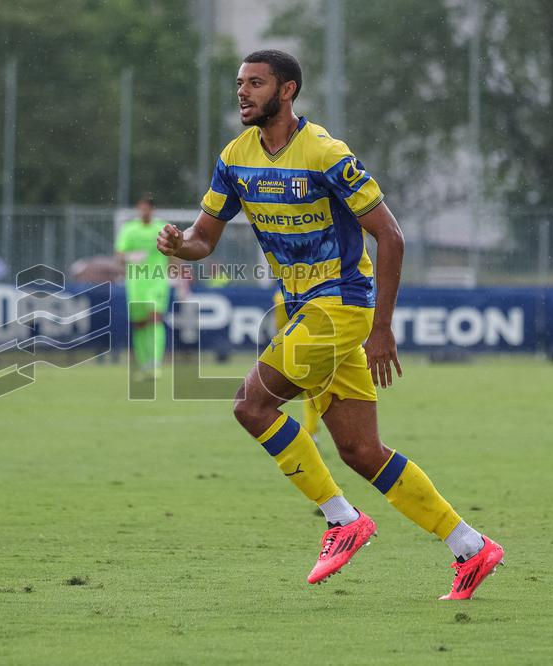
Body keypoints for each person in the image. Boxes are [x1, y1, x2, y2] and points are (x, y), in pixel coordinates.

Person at [157, 50, 503, 600]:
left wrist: (382, 328)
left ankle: (342, 520)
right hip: (303, 308)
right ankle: (471, 546)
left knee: (251, 405)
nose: (243, 93)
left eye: (256, 84)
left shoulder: (325, 153)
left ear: (287, 90)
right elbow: (204, 239)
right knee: (362, 452)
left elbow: (391, 236)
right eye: (239, 84)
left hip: (340, 304)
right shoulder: (235, 156)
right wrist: (180, 245)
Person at [115, 194, 170, 379]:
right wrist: (131, 257)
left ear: (152, 210)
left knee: (155, 318)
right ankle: (145, 364)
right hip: (136, 283)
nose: (144, 211)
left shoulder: (162, 228)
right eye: (141, 208)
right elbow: (120, 255)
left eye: (147, 208)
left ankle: (156, 363)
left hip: (157, 281)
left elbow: (173, 253)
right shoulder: (129, 229)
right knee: (139, 325)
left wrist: (180, 276)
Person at [273, 289, 321, 442]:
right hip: (309, 346)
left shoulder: (280, 297)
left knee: (269, 396)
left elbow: (279, 326)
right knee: (310, 393)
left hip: (290, 347)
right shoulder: (320, 293)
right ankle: (309, 433)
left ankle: (286, 435)